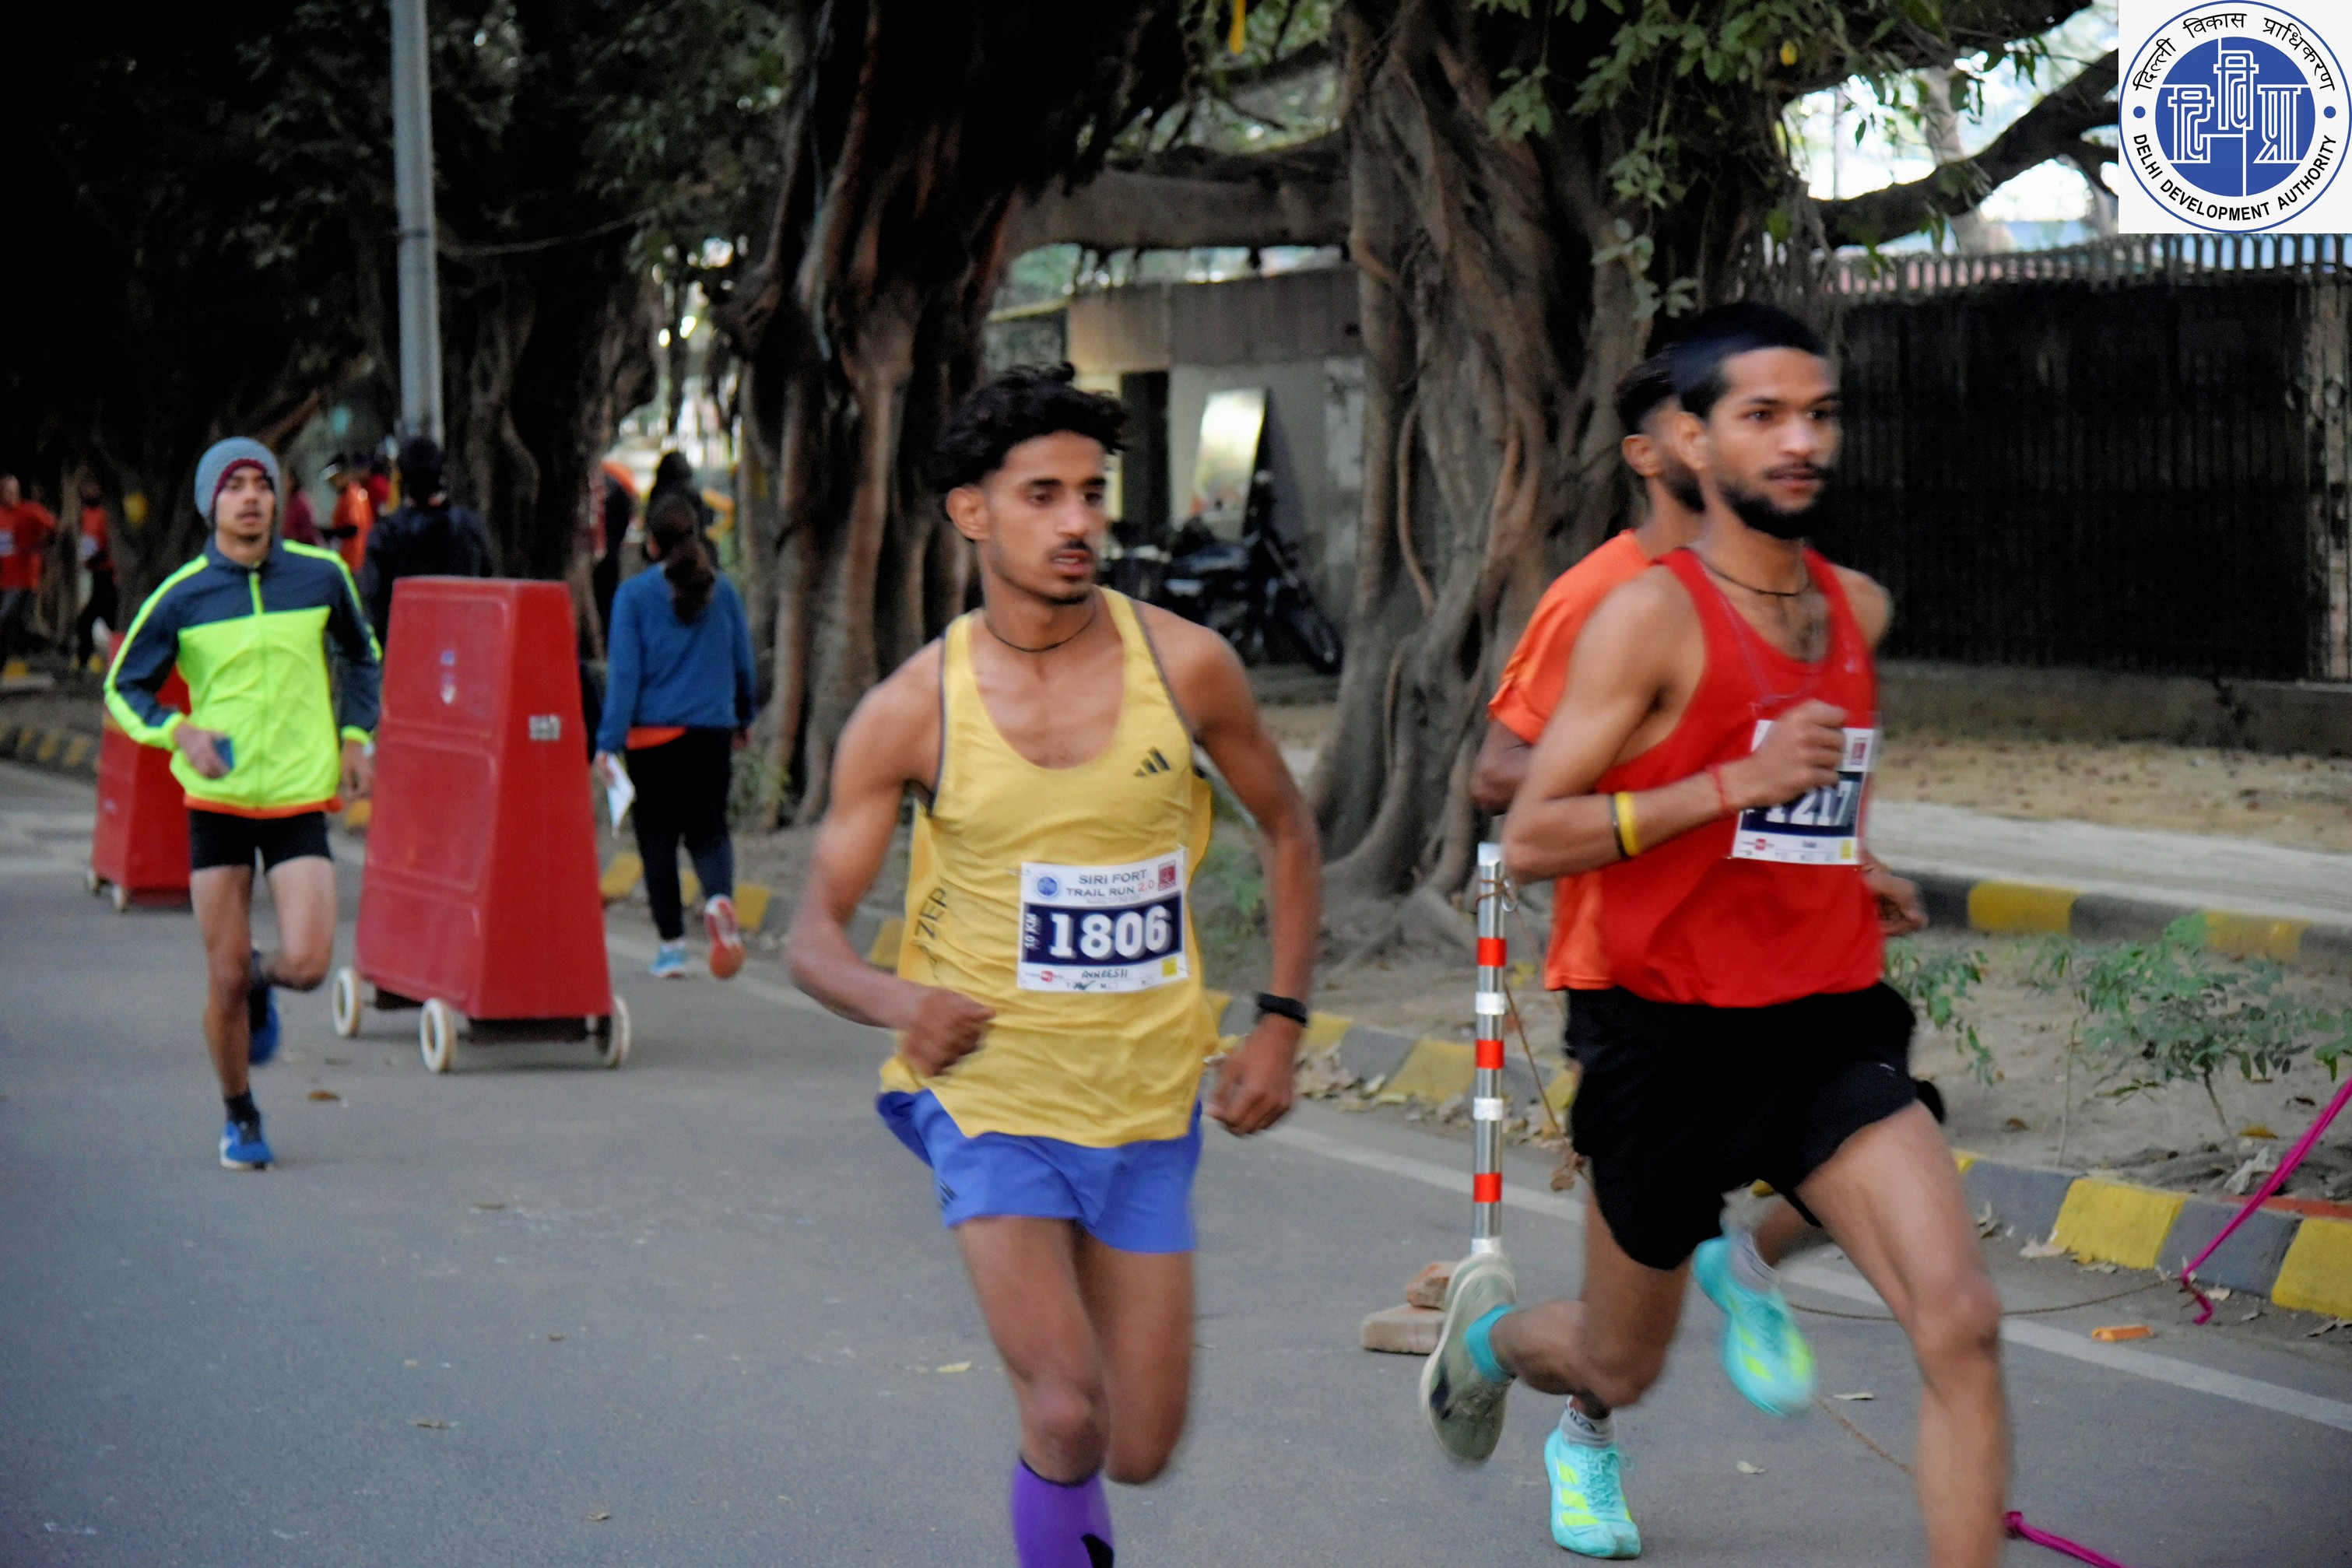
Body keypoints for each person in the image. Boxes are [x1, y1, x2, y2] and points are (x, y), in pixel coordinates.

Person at [1427, 304, 2004, 1568]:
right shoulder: (1635, 613)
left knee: (1960, 1319)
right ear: (1688, 441)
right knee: (1616, 1362)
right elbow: (1529, 828)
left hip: (1821, 1017)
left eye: (1818, 415)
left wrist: (1849, 860)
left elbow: (1807, 793)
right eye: (1763, 416)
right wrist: (1731, 785)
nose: (1800, 441)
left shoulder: (1855, 609)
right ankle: (1493, 1349)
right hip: (1662, 1030)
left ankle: (1748, 1269)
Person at [787, 365, 1322, 1568]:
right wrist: (898, 998)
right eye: (1043, 495)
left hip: (1145, 1096)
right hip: (991, 1099)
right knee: (1067, 1409)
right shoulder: (912, 709)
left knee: (1137, 1445)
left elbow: (1289, 826)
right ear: (971, 511)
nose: (1079, 521)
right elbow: (812, 933)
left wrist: (1280, 1021)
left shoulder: (1185, 667)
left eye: (1091, 492)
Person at [104, 438, 381, 1170]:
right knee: (221, 979)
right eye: (235, 486)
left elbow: (361, 654)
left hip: (297, 796)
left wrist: (357, 737)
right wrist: (178, 730)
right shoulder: (182, 595)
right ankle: (240, 1113)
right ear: (211, 504)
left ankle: (262, 976)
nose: (252, 497)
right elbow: (122, 687)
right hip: (218, 802)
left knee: (310, 963)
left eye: (263, 483)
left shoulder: (321, 576)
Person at [593, 493, 757, 980]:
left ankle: (671, 948)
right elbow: (743, 665)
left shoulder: (633, 596)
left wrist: (608, 742)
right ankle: (719, 899)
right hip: (711, 734)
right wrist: (742, 719)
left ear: (652, 544)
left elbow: (625, 677)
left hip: (653, 741)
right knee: (710, 830)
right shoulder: (724, 592)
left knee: (657, 839)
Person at [360, 437, 495, 647]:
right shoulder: (469, 527)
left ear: (401, 476)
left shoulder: (386, 535)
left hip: (408, 646)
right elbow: (487, 579)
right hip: (463, 644)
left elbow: (374, 599)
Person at [0, 474, 59, 671]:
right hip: (4, 578)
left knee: (8, 618)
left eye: (13, 491)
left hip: (24, 579)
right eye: (5, 491)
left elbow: (54, 528)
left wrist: (39, 544)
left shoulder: (30, 511)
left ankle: (12, 659)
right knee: (13, 620)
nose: (9, 495)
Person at [72, 476, 118, 669]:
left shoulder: (106, 514)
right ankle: (85, 658)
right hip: (95, 574)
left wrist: (94, 558)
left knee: (109, 617)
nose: (91, 492)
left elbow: (108, 543)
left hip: (108, 572)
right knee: (89, 618)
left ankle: (102, 657)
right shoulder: (84, 515)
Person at [324, 456, 376, 576]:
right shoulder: (351, 493)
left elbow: (353, 528)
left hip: (356, 558)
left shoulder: (352, 496)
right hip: (353, 557)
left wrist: (331, 533)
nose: (333, 483)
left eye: (335, 479)